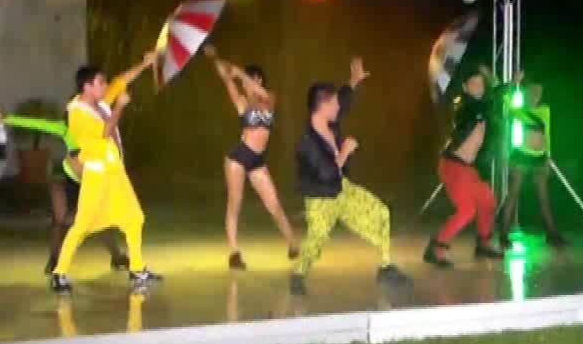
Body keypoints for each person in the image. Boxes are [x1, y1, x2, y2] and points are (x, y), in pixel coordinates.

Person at [290, 57, 412, 296]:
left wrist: (354, 81)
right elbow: (326, 173)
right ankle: (298, 274)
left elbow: (344, 100)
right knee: (316, 241)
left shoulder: (330, 122)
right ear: (323, 105)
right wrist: (344, 152)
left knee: (381, 213)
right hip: (321, 198)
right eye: (334, 103)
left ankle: (385, 267)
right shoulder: (307, 142)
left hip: (342, 189)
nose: (339, 107)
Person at [51, 54, 162, 293]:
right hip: (97, 174)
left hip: (114, 172)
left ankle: (137, 269)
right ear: (87, 86)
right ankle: (59, 273)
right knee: (82, 225)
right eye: (100, 82)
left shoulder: (99, 103)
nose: (105, 86)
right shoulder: (77, 112)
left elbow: (121, 80)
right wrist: (120, 107)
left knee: (134, 218)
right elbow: (105, 132)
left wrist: (144, 64)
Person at [203, 45, 299, 270]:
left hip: (257, 160)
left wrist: (240, 73)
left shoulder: (269, 98)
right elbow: (227, 78)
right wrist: (217, 59)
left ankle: (293, 243)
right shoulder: (242, 103)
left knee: (274, 204)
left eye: (252, 80)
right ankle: (234, 253)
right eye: (247, 82)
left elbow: (260, 94)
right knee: (234, 203)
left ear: (259, 81)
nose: (247, 84)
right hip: (239, 157)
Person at [2, 115, 129, 274]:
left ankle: (117, 256)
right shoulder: (63, 128)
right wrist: (8, 119)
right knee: (60, 220)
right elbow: (37, 123)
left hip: (85, 179)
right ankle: (54, 260)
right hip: (61, 178)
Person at [423, 66, 520, 267]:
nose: (478, 87)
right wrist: (509, 85)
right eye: (474, 84)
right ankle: (436, 247)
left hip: (468, 169)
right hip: (452, 166)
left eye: (481, 84)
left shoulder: (482, 108)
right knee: (467, 210)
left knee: (488, 201)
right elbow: (486, 101)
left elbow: (489, 105)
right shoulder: (466, 107)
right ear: (465, 88)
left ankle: (483, 244)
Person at [499, 81, 567, 248]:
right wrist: (513, 83)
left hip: (539, 157)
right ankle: (503, 235)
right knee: (513, 194)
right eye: (533, 91)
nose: (536, 94)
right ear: (526, 93)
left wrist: (548, 157)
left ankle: (552, 234)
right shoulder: (520, 111)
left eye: (539, 92)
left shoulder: (544, 110)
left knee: (544, 197)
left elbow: (548, 134)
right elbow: (505, 98)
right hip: (522, 155)